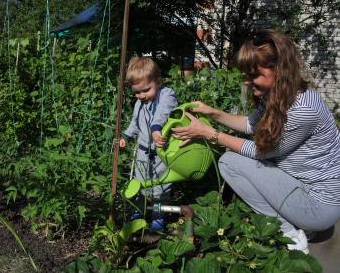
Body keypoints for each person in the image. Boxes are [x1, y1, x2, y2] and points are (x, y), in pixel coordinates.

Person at [171, 29, 340, 254]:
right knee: (235, 156)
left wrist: (210, 133)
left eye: (253, 75)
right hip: (304, 190)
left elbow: (262, 152)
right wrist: (212, 112)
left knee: (230, 162)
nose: (247, 81)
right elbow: (251, 124)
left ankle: (289, 234)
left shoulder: (303, 110)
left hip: (320, 206)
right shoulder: (279, 93)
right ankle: (298, 221)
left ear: (279, 69)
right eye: (246, 75)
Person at [120, 57, 178, 231]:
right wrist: (127, 135)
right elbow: (135, 122)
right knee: (139, 184)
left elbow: (163, 112)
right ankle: (140, 210)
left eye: (146, 90)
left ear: (158, 81)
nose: (142, 95)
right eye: (137, 92)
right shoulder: (140, 103)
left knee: (160, 187)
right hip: (143, 153)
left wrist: (156, 128)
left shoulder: (166, 95)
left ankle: (158, 216)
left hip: (162, 153)